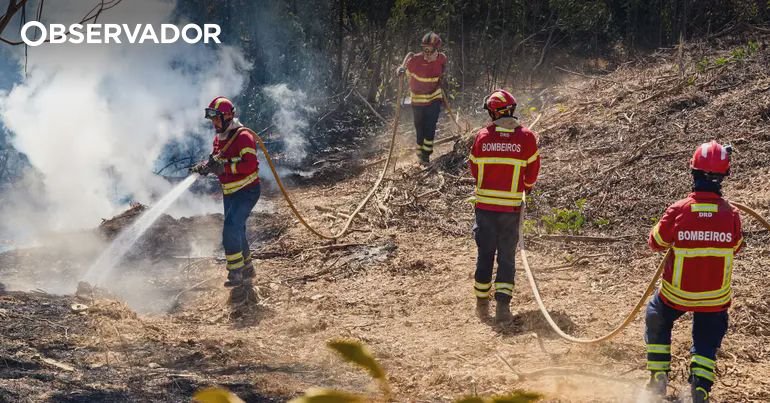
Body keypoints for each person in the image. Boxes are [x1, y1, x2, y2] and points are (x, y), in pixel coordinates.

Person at [645, 141, 743, 402]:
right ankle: (699, 387)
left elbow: (655, 242)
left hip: (676, 295)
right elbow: (737, 246)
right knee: (707, 337)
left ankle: (658, 377)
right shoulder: (731, 214)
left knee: (656, 314)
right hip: (715, 298)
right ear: (724, 176)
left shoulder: (679, 209)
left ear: (694, 172)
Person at [469, 89, 540, 323]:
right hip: (510, 210)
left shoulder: (482, 137)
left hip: (485, 210)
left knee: (485, 254)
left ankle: (481, 305)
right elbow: (532, 174)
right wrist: (524, 189)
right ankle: (502, 308)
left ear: (493, 112)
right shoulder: (527, 138)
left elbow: (474, 169)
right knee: (507, 257)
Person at [191, 96, 261, 288]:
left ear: (228, 116)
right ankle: (248, 270)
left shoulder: (243, 136)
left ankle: (235, 274)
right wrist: (205, 167)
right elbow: (217, 160)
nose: (214, 123)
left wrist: (225, 169)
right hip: (230, 192)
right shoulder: (219, 138)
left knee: (230, 229)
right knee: (238, 229)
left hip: (247, 191)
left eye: (216, 118)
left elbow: (250, 164)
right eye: (212, 119)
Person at [396, 31, 447, 165]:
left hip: (434, 99)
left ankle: (426, 156)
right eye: (425, 50)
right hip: (418, 101)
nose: (427, 54)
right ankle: (420, 153)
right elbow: (403, 69)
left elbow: (442, 72)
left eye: (430, 50)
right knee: (420, 128)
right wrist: (400, 71)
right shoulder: (415, 60)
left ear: (437, 50)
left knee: (430, 127)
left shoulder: (442, 59)